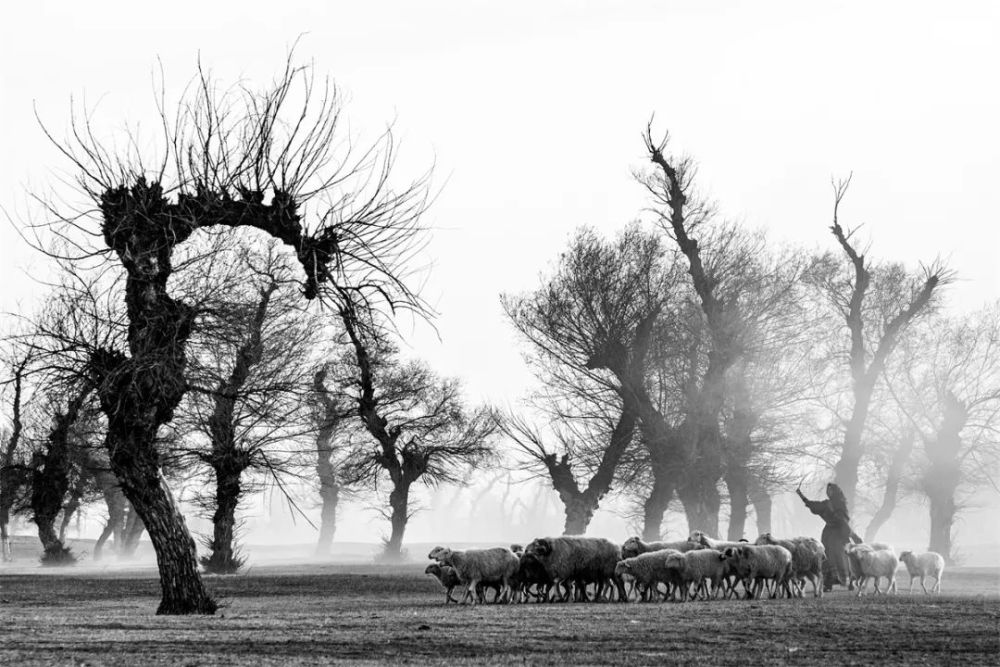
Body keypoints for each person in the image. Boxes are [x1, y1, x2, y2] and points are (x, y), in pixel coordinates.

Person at [797, 482, 861, 591]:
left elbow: (844, 521)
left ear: (835, 491)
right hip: (828, 535)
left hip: (840, 534)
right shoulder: (826, 504)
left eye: (830, 490)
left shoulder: (841, 504)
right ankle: (828, 584)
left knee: (843, 556)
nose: (828, 492)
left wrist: (851, 534)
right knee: (826, 557)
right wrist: (801, 496)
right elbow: (814, 505)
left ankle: (850, 581)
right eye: (827, 490)